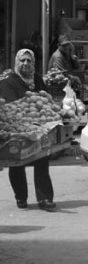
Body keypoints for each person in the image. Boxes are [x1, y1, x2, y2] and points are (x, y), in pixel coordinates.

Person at [0, 49, 56, 210]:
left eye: (29, 61)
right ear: (16, 62)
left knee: (42, 161)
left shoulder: (38, 79)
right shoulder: (8, 82)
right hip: (17, 128)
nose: (25, 63)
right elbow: (10, 106)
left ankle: (45, 199)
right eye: (22, 60)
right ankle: (21, 197)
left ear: (33, 63)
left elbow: (45, 99)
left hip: (39, 127)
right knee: (17, 163)